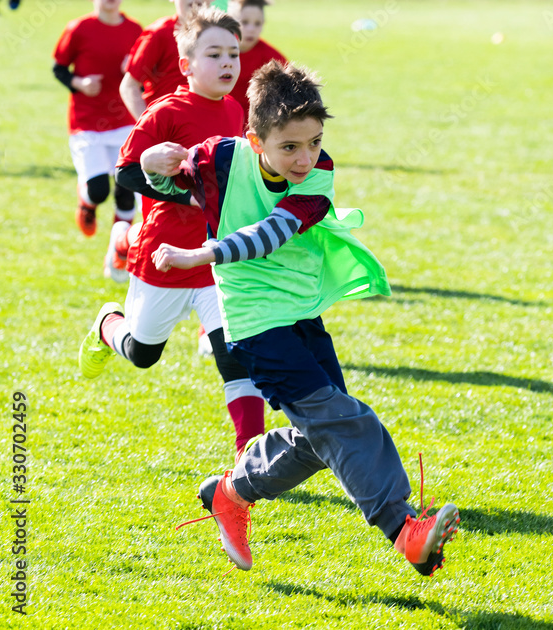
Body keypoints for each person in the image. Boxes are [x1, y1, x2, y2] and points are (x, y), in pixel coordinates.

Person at [141, 60, 460, 575]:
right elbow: (156, 180)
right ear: (255, 140)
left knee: (319, 438)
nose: (305, 157)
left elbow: (271, 232)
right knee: (346, 420)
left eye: (313, 141)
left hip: (302, 317)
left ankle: (231, 491)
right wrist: (155, 163)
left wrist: (202, 255)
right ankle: (403, 530)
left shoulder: (321, 173)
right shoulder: (219, 160)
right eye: (290, 146)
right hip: (255, 326)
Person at [78, 8, 266, 462]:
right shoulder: (166, 112)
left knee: (234, 352)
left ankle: (249, 456)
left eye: (233, 54)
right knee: (143, 354)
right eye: (214, 54)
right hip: (163, 254)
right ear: (186, 65)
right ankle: (108, 323)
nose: (227, 63)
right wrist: (174, 183)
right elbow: (125, 174)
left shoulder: (235, 109)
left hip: (213, 256)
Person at [52, 0, 142, 247]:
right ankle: (87, 203)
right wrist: (80, 83)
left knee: (127, 190)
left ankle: (119, 248)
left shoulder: (135, 31)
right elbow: (59, 68)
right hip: (87, 123)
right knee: (99, 190)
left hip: (125, 122)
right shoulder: (78, 28)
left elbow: (146, 77)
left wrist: (133, 70)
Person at [119, 0, 209, 120]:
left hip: (208, 123)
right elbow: (129, 86)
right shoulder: (159, 33)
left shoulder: (224, 34)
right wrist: (150, 125)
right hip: (169, 125)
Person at [227, 0, 286, 118]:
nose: (251, 29)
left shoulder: (273, 59)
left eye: (257, 23)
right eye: (244, 22)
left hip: (255, 122)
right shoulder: (219, 52)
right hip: (223, 115)